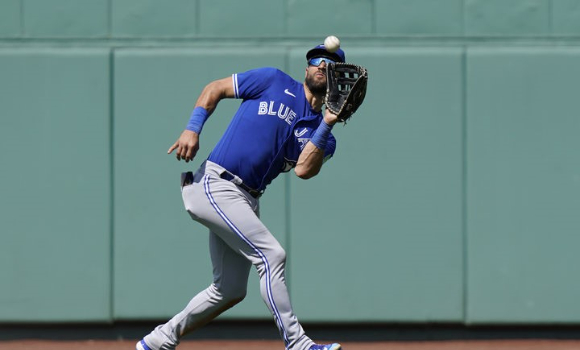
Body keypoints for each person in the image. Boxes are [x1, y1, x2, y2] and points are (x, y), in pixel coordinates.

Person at [136, 43, 347, 350]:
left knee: (229, 290)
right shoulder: (273, 81)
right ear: (307, 68)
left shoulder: (324, 135)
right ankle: (298, 343)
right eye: (316, 59)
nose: (321, 65)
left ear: (338, 79)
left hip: (246, 199)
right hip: (215, 182)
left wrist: (327, 123)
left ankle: (157, 341)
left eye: (330, 64)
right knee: (272, 255)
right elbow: (215, 88)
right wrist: (192, 128)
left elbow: (304, 170)